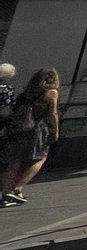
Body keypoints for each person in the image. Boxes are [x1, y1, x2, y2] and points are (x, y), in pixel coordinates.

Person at [1, 68, 61, 207]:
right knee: (40, 157)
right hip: (37, 129)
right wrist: (56, 131)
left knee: (15, 159)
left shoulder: (26, 93)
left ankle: (7, 192)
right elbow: (53, 113)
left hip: (18, 128)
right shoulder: (51, 92)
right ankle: (18, 188)